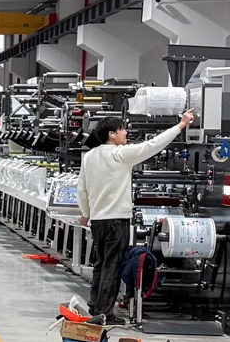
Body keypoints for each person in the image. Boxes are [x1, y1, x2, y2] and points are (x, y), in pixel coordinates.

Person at [76, 108, 196, 321]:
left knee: (101, 264)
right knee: (112, 267)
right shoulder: (121, 154)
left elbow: (81, 188)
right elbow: (153, 145)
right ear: (111, 135)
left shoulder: (90, 156)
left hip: (98, 221)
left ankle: (95, 306)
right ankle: (104, 314)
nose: (125, 133)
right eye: (122, 129)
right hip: (116, 221)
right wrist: (181, 125)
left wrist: (86, 213)